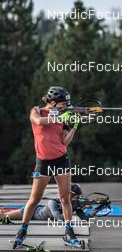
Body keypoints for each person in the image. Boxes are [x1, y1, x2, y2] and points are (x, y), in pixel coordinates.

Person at [13, 86, 80, 248]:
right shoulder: (36, 111)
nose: (65, 106)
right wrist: (59, 116)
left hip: (61, 160)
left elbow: (64, 142)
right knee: (34, 199)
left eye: (66, 104)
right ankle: (22, 230)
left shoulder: (63, 116)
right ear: (52, 102)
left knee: (65, 199)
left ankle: (69, 232)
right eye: (63, 103)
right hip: (43, 162)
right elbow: (39, 122)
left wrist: (73, 127)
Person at [1, 184, 91, 222]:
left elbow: (83, 218)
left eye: (79, 196)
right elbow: (59, 219)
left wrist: (94, 212)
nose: (79, 198)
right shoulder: (53, 202)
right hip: (32, 213)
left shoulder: (74, 204)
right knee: (5, 217)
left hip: (37, 211)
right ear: (70, 194)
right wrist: (72, 210)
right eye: (77, 196)